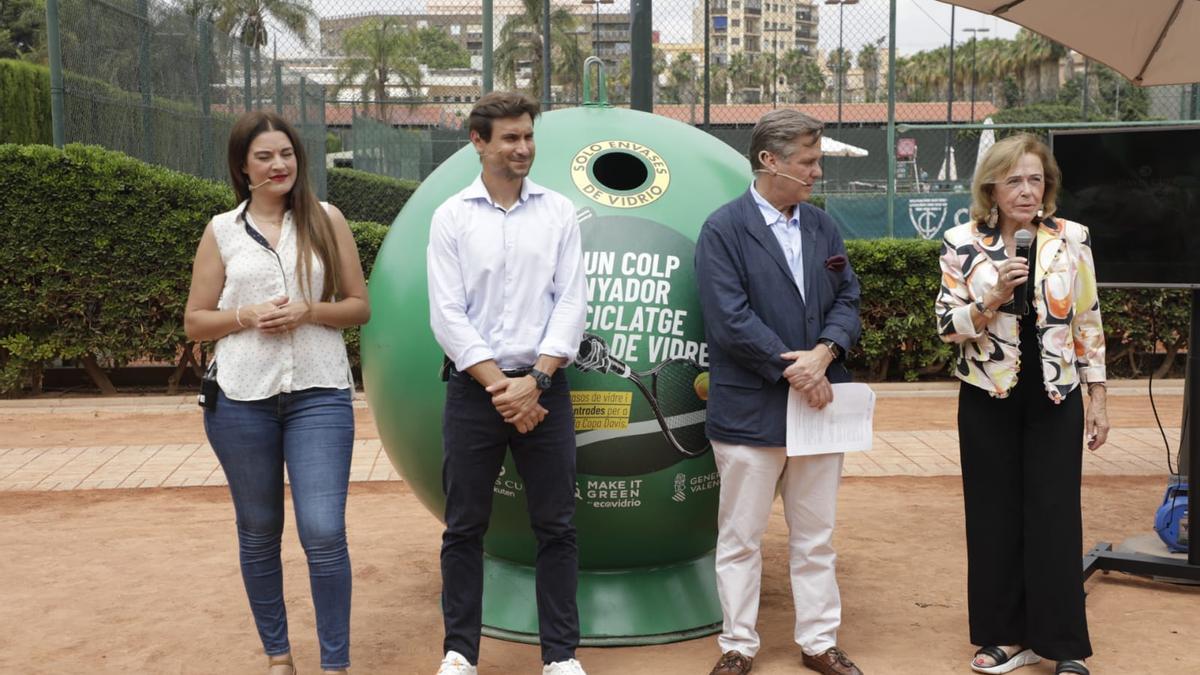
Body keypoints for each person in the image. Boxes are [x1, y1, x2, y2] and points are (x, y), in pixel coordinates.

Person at [184, 111, 370, 675]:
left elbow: (360, 306)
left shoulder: (326, 219)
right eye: (264, 156)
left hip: (319, 393)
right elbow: (196, 321)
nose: (278, 165)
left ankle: (334, 664)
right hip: (241, 398)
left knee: (323, 530)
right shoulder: (221, 231)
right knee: (260, 530)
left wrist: (309, 310)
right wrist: (245, 315)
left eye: (286, 153)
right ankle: (279, 656)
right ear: (243, 167)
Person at [695, 109, 864, 675]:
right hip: (751, 409)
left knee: (815, 536)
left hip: (817, 406)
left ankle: (819, 642)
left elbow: (848, 299)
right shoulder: (723, 228)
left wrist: (825, 353)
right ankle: (738, 646)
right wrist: (793, 368)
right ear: (770, 161)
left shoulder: (822, 226)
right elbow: (728, 318)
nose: (816, 173)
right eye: (808, 162)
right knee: (740, 537)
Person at [426, 91, 588, 675]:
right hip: (476, 391)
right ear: (478, 141)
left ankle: (561, 656)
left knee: (557, 526)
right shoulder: (451, 217)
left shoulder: (560, 212)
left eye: (528, 136)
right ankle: (460, 653)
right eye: (510, 138)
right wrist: (504, 389)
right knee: (465, 526)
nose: (523, 148)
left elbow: (571, 304)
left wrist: (537, 382)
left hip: (545, 388)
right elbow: (447, 316)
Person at [934, 133, 1109, 675]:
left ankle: (1062, 643)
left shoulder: (1071, 238)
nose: (1027, 190)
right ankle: (1003, 635)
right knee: (993, 516)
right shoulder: (961, 242)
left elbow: (1087, 320)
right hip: (988, 394)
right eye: (1015, 180)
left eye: (1036, 179)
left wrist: (1097, 395)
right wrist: (988, 301)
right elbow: (946, 327)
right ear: (992, 186)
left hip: (1057, 395)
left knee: (1055, 516)